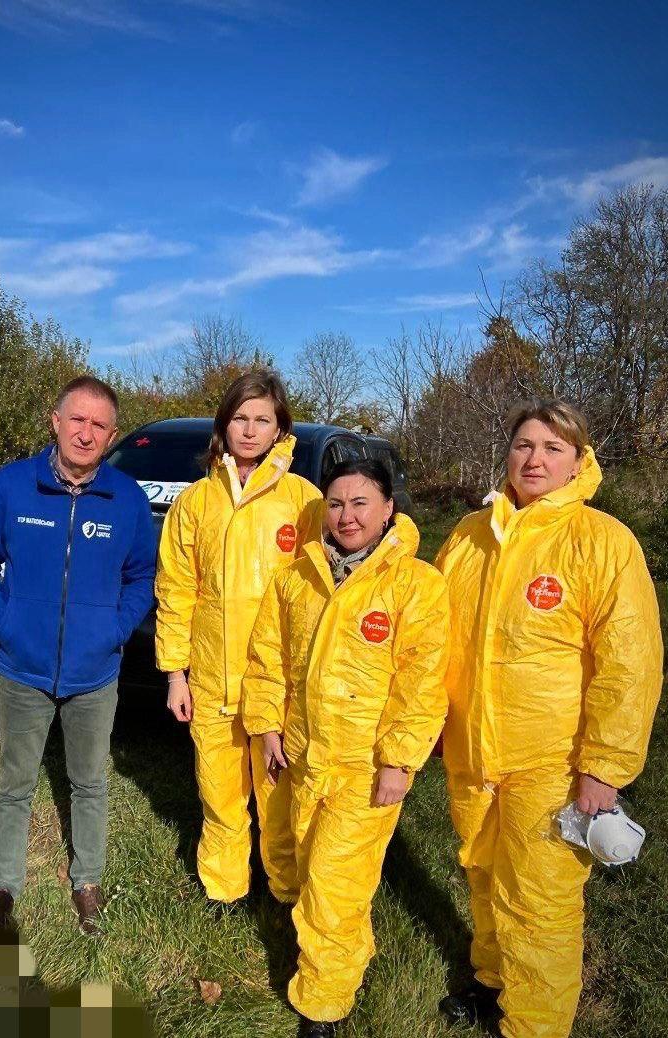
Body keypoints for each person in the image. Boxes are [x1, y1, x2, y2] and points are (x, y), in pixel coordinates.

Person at [434, 398, 663, 1038]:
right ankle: (493, 983)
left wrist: (604, 767)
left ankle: (533, 1025)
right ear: (507, 455)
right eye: (524, 445)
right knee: (482, 873)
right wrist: (426, 726)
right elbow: (433, 640)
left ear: (577, 463)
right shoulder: (468, 536)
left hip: (553, 762)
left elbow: (631, 664)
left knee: (540, 904)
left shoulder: (602, 542)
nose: (535, 459)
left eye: (552, 448)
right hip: (471, 753)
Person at [243, 458, 449, 1037]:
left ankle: (322, 1006)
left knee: (336, 886)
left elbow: (422, 682)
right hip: (303, 758)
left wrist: (399, 760)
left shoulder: (416, 586)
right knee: (305, 863)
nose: (347, 515)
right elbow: (267, 661)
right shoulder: (297, 578)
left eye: (361, 504)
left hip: (364, 768)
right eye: (335, 504)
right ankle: (327, 950)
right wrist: (266, 727)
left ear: (389, 510)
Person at [0, 375, 156, 935]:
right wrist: (3, 622)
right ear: (55, 419)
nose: (86, 433)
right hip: (21, 667)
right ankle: (2, 887)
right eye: (77, 419)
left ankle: (87, 879)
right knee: (15, 781)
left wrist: (113, 631)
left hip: (95, 672)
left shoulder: (127, 499)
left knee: (90, 781)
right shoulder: (11, 486)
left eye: (99, 425)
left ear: (112, 433)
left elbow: (142, 574)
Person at [155, 370, 321, 907]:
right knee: (220, 795)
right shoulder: (195, 503)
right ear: (223, 426)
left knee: (279, 799)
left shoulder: (305, 501)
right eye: (240, 419)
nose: (249, 432)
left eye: (262, 420)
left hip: (278, 685)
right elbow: (176, 590)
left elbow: (322, 594)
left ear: (280, 429)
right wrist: (176, 674)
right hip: (210, 680)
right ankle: (224, 890)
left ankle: (285, 891)